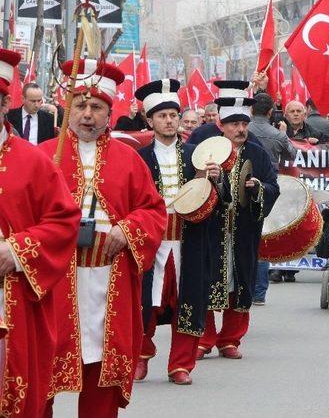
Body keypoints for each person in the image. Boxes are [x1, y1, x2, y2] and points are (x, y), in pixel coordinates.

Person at [40, 58, 166, 416]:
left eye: (96, 106)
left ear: (109, 112)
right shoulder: (46, 155)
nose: (87, 114)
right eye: (79, 105)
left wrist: (127, 231)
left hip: (109, 277)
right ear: (67, 109)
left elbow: (152, 210)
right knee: (43, 365)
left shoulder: (129, 159)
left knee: (101, 370)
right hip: (56, 280)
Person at [0, 49, 80, 417]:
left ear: (5, 105)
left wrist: (15, 251)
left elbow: (64, 222)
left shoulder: (33, 162)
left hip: (14, 294)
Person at [133, 79, 218, 385]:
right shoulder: (139, 158)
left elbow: (220, 202)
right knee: (146, 300)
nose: (168, 121)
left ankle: (180, 364)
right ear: (150, 120)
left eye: (173, 115)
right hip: (151, 242)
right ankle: (140, 357)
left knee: (189, 298)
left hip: (189, 240)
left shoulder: (197, 155)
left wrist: (214, 181)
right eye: (162, 116)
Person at [196, 80, 279, 361]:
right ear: (222, 124)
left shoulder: (257, 153)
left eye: (244, 123)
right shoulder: (203, 151)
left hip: (243, 230)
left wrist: (258, 188)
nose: (240, 129)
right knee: (205, 280)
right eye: (234, 124)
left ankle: (230, 338)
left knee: (241, 280)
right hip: (209, 230)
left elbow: (273, 186)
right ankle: (204, 337)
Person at [248, 93, 295, 302]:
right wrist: (283, 134)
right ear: (270, 112)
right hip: (268, 186)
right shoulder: (277, 135)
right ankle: (259, 292)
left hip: (243, 181)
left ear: (251, 110)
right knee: (260, 235)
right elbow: (292, 154)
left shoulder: (241, 130)